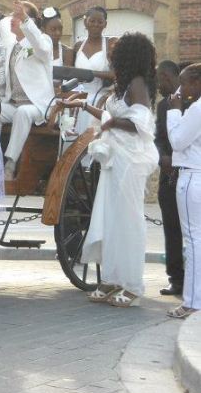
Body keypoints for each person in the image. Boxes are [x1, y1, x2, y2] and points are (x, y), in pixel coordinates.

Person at [58, 32, 159, 308]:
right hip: (116, 158)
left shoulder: (137, 83)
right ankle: (113, 279)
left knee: (128, 221)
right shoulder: (124, 84)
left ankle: (132, 284)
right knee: (110, 219)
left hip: (130, 160)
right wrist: (82, 105)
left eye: (116, 51)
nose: (111, 54)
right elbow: (111, 117)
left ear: (129, 55)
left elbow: (141, 123)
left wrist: (111, 124)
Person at [0, 0, 55, 180]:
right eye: (13, 15)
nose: (12, 19)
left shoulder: (43, 41)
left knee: (22, 112)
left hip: (38, 105)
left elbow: (41, 48)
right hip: (14, 102)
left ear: (28, 21)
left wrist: (26, 20)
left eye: (18, 15)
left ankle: (10, 163)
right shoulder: (11, 45)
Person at [166, 63, 201, 318]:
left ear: (197, 83)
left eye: (185, 82)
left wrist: (174, 112)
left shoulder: (197, 109)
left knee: (192, 241)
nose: (180, 89)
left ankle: (191, 302)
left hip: (191, 178)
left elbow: (177, 140)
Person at [155, 60, 184, 296]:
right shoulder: (162, 106)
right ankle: (176, 279)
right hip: (168, 177)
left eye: (159, 79)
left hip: (189, 172)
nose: (157, 84)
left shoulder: (192, 101)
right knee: (172, 230)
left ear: (169, 76)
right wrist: (162, 157)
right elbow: (157, 137)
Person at [73, 6, 117, 134]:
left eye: (100, 22)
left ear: (105, 24)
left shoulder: (110, 44)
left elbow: (116, 74)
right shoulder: (77, 46)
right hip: (78, 94)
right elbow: (70, 73)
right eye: (92, 21)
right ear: (85, 22)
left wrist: (91, 74)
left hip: (100, 97)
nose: (96, 25)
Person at [40, 6, 74, 74]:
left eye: (60, 29)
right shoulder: (36, 50)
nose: (58, 33)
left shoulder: (67, 52)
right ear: (43, 30)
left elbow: (66, 78)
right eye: (53, 29)